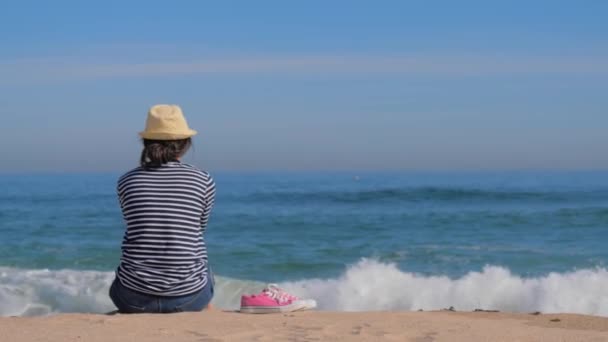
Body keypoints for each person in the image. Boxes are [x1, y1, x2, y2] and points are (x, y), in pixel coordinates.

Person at [109, 104, 216, 313]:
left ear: (146, 142)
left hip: (131, 299)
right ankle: (206, 310)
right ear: (185, 144)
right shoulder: (203, 179)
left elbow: (134, 226)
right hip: (188, 298)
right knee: (203, 265)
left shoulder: (126, 180)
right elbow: (198, 228)